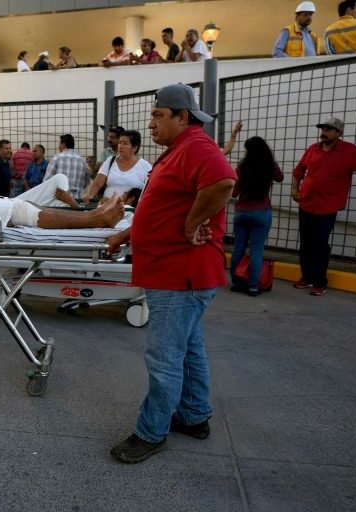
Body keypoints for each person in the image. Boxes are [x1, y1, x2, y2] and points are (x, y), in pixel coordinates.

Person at [106, 83, 236, 464]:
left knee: (164, 357)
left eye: (158, 116)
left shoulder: (196, 146)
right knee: (188, 348)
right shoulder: (177, 150)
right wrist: (126, 235)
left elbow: (223, 182)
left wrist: (192, 224)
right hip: (177, 275)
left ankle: (152, 431)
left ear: (183, 117)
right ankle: (194, 416)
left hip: (180, 275)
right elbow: (162, 206)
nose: (151, 124)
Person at [291, 116, 356, 296]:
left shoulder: (349, 152)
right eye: (323, 128)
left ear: (339, 132)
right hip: (306, 203)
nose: (324, 132)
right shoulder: (313, 149)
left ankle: (320, 282)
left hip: (327, 208)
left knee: (320, 244)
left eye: (328, 129)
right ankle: (306, 277)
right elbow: (299, 171)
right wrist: (294, 189)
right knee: (306, 243)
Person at [230, 137, 284, 296]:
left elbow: (234, 192)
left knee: (238, 248)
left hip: (242, 212)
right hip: (261, 212)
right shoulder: (269, 165)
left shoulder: (242, 166)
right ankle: (253, 287)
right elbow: (280, 177)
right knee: (256, 250)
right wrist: (271, 164)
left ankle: (237, 282)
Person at [82, 130, 151, 206]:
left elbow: (150, 190)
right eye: (120, 143)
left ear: (134, 148)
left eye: (125, 143)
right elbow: (97, 183)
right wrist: (89, 195)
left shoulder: (145, 166)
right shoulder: (110, 161)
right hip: (106, 207)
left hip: (131, 209)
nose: (121, 146)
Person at [43, 134, 89, 200]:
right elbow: (87, 182)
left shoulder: (57, 158)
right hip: (76, 201)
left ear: (63, 144)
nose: (58, 147)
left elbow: (47, 180)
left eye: (59, 144)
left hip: (59, 200)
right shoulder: (82, 160)